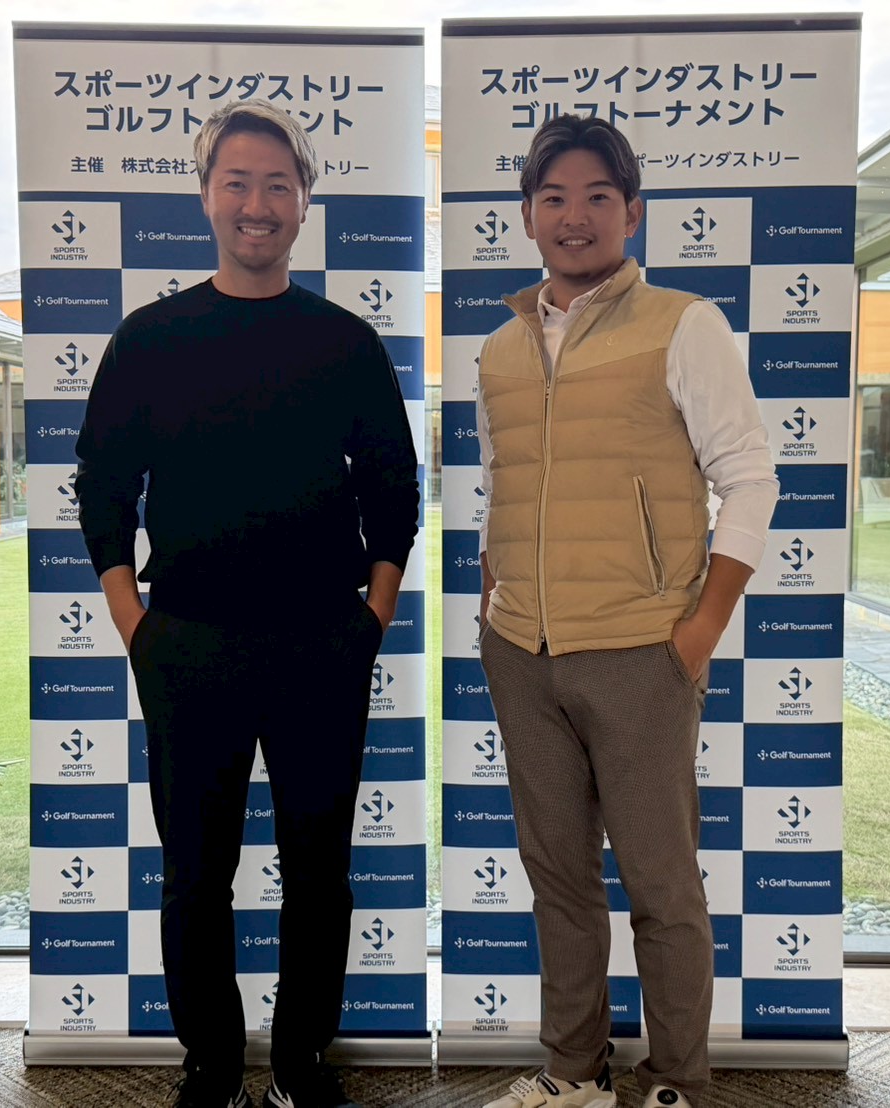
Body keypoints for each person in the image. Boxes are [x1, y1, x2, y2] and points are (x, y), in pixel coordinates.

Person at [74, 99, 420, 1108]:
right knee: (195, 874)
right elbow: (103, 489)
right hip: (187, 643)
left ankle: (300, 1062)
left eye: (277, 184)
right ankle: (213, 1066)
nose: (256, 203)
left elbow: (394, 491)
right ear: (206, 195)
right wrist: (135, 623)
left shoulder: (345, 342)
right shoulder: (150, 338)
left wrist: (369, 619)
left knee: (318, 872)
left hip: (321, 642)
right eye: (238, 182)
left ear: (304, 202)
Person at [475, 115, 779, 1108]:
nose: (575, 216)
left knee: (660, 883)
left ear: (631, 212)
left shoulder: (683, 325)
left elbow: (749, 479)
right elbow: (500, 484)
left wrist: (697, 632)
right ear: (527, 216)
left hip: (642, 650)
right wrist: (493, 602)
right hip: (523, 652)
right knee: (558, 880)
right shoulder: (500, 348)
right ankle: (572, 1072)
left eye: (597, 197)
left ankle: (674, 1080)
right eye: (553, 198)